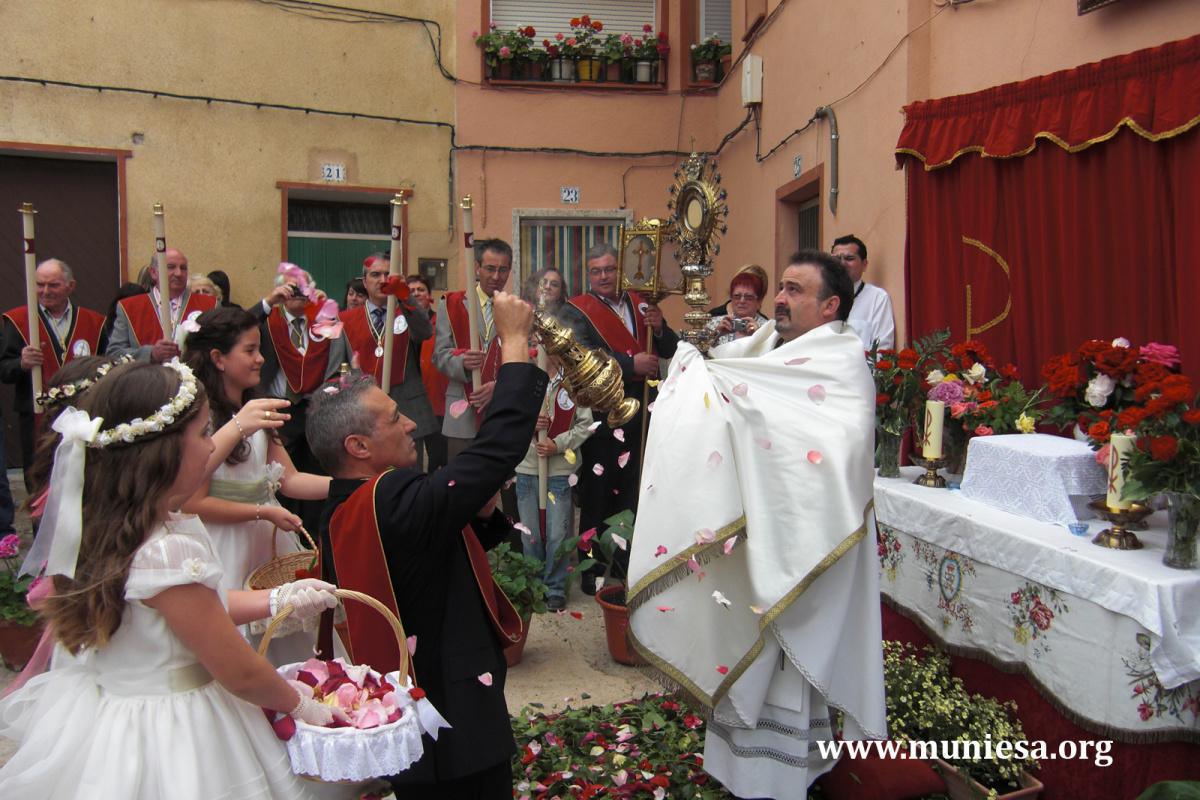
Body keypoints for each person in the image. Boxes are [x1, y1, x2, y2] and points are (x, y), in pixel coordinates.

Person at [0, 359, 348, 799]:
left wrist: (280, 599)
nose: (211, 448)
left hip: (116, 717)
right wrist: (299, 703)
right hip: (177, 729)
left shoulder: (109, 526)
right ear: (162, 452)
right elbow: (236, 668)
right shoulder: (165, 548)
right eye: (203, 433)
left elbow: (199, 609)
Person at [627, 250, 886, 800]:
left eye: (795, 290)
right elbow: (715, 381)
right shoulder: (762, 346)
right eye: (782, 288)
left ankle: (791, 780)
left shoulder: (842, 363)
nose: (781, 299)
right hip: (752, 538)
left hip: (802, 546)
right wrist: (691, 359)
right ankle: (739, 775)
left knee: (788, 667)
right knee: (744, 655)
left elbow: (840, 457)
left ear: (830, 306)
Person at [308, 290, 543, 798]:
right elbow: (495, 451)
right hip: (455, 732)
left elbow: (421, 556)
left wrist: (473, 512)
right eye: (395, 418)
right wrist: (517, 342)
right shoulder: (390, 498)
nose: (412, 422)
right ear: (358, 446)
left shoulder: (345, 509)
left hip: (420, 724)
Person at [179, 307, 333, 666]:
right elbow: (191, 499)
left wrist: (351, 485)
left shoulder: (255, 407)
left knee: (285, 641)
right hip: (222, 544)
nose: (261, 358)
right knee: (235, 642)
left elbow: (290, 480)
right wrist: (262, 510)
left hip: (266, 544)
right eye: (250, 350)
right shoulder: (199, 415)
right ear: (218, 358)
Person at [558, 242, 679, 594]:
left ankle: (626, 562)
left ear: (619, 269)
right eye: (596, 271)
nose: (603, 277)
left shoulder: (642, 302)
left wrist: (659, 329)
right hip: (602, 410)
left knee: (633, 489)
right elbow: (581, 357)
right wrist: (630, 364)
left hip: (642, 409)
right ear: (588, 275)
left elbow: (669, 348)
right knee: (596, 492)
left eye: (609, 269)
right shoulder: (577, 310)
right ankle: (592, 568)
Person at [249, 271, 353, 533]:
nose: (297, 292)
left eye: (302, 286)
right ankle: (281, 529)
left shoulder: (322, 321)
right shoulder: (267, 321)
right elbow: (238, 326)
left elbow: (343, 357)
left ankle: (314, 534)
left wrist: (327, 309)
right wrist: (268, 302)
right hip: (279, 406)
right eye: (290, 287)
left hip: (316, 407)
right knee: (280, 477)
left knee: (316, 470)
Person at [515, 268, 592, 612]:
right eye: (539, 340)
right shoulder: (522, 377)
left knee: (559, 532)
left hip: (560, 469)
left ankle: (556, 585)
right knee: (530, 531)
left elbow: (585, 425)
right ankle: (532, 582)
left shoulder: (573, 381)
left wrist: (558, 444)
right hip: (528, 467)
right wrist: (530, 424)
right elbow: (509, 420)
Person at [0, 258, 107, 488]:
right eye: (40, 284)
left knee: (83, 477)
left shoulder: (94, 322)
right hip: (36, 416)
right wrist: (21, 363)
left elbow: (106, 367)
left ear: (70, 286)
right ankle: (40, 525)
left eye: (53, 285)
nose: (45, 291)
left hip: (82, 414)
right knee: (40, 479)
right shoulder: (18, 321)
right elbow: (4, 370)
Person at [341, 254, 436, 449]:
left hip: (406, 408)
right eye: (375, 275)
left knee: (408, 474)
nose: (383, 280)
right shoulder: (346, 320)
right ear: (365, 282)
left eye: (387, 274)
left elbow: (425, 332)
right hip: (363, 407)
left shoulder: (407, 312)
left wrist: (404, 295)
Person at [433, 238, 512, 460]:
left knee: (502, 481)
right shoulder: (451, 303)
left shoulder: (516, 308)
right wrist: (461, 362)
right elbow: (439, 355)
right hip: (462, 409)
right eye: (490, 269)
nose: (496, 277)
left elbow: (526, 361)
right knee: (460, 482)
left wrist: (498, 386)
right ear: (477, 267)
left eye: (503, 270)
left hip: (502, 407)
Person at [107, 248, 218, 362]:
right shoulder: (129, 307)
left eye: (183, 268)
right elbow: (114, 353)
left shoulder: (210, 305)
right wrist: (151, 354)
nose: (179, 273)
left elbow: (223, 349)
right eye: (171, 267)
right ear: (153, 273)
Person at [407, 274, 448, 473]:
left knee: (438, 456)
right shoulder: (397, 325)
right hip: (408, 400)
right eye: (411, 291)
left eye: (420, 290)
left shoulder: (439, 323)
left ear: (430, 295)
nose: (415, 294)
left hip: (435, 400)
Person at [831, 234, 895, 350]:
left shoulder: (878, 298)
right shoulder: (820, 297)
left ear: (864, 265)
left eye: (849, 259)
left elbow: (882, 349)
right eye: (836, 259)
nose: (842, 264)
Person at [705, 264, 770, 347]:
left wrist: (758, 337)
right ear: (731, 297)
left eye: (748, 297)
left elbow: (772, 356)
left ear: (759, 301)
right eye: (737, 296)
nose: (742, 301)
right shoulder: (713, 323)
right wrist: (716, 334)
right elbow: (699, 354)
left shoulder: (767, 329)